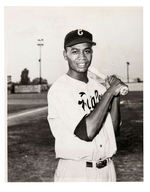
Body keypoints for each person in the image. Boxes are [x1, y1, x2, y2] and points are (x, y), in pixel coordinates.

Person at [47, 29, 123, 182]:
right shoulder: (60, 89)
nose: (82, 57)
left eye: (87, 51)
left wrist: (114, 96)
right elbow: (87, 132)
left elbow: (113, 131)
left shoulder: (99, 88)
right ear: (65, 55)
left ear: (92, 54)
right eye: (75, 51)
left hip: (107, 170)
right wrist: (109, 93)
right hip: (77, 172)